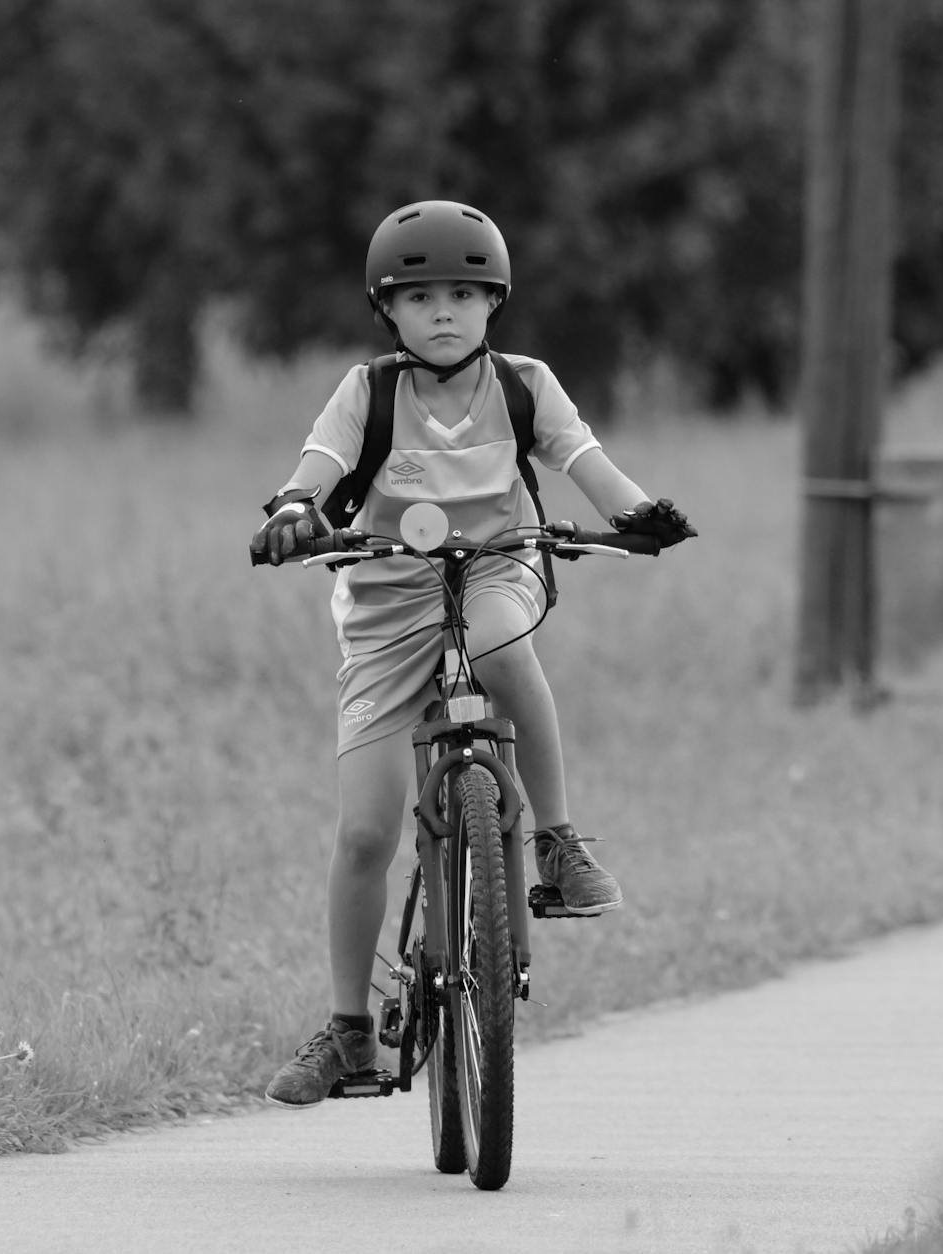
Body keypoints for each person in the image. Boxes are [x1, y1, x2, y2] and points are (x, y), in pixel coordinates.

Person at [248, 200, 696, 1108]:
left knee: (496, 641)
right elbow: (319, 467)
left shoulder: (526, 383)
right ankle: (348, 1032)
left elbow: (582, 457)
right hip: (388, 604)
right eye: (419, 298)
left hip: (499, 571)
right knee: (367, 830)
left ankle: (557, 844)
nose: (442, 313)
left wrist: (638, 512)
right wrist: (296, 511)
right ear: (388, 310)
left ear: (495, 303)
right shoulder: (369, 391)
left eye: (463, 293)